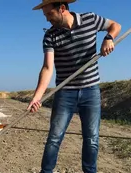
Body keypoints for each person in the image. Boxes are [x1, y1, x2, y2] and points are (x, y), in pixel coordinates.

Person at [26, 0, 121, 173]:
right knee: (54, 138)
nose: (47, 19)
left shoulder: (90, 19)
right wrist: (37, 97)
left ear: (62, 9)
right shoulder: (50, 36)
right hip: (65, 93)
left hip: (91, 90)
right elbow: (48, 68)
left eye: (49, 14)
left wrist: (109, 38)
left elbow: (116, 25)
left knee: (91, 139)